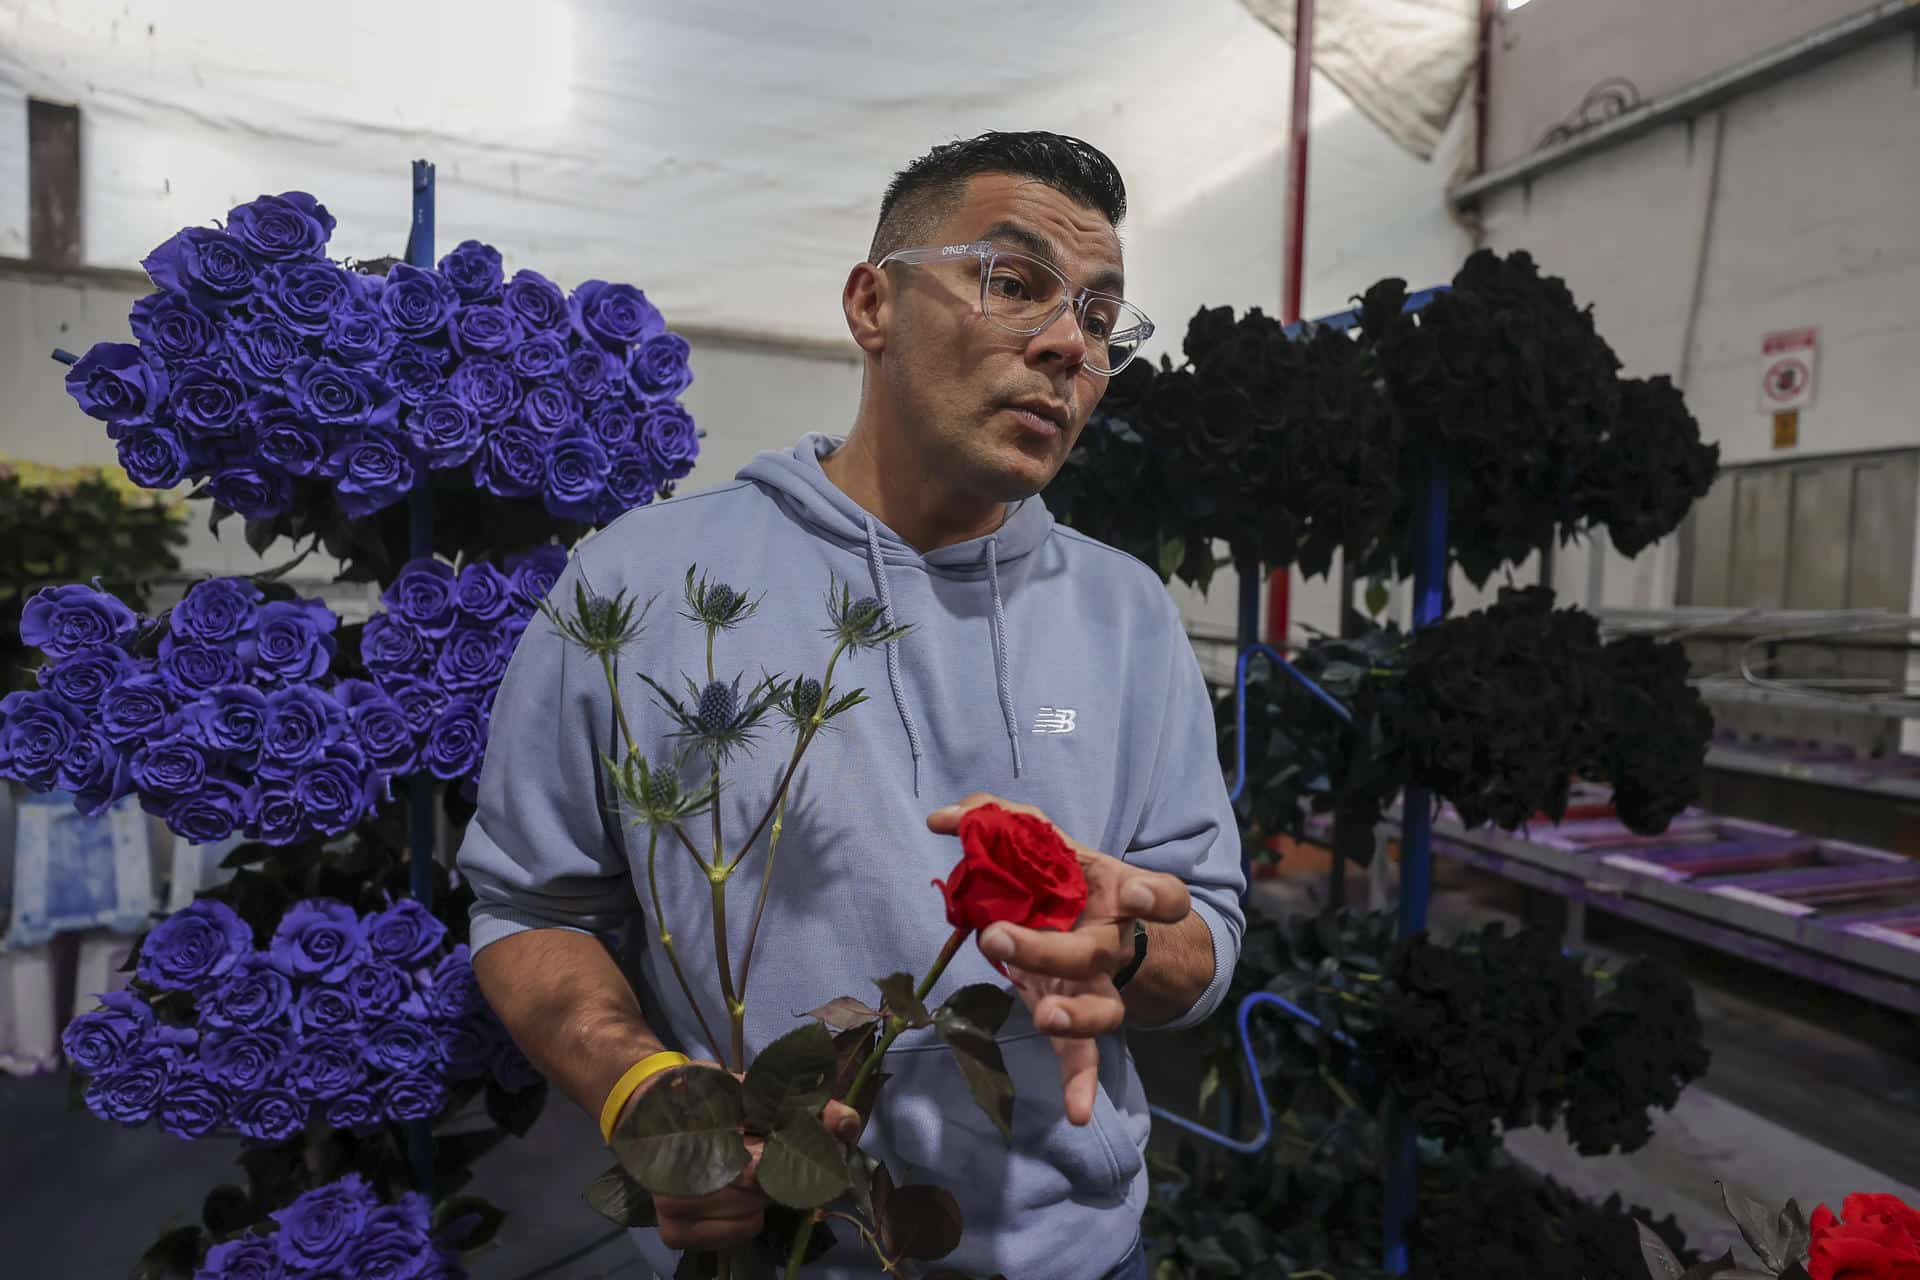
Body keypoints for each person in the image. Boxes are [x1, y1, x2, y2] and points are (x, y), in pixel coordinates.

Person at [460, 130, 1246, 1280]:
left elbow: (1207, 929)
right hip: (768, 1246)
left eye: (1099, 317)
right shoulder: (644, 582)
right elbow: (531, 902)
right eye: (1014, 280)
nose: (1068, 344)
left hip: (1076, 1251)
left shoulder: (1127, 615)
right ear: (872, 303)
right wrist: (641, 1085)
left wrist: (1122, 942)